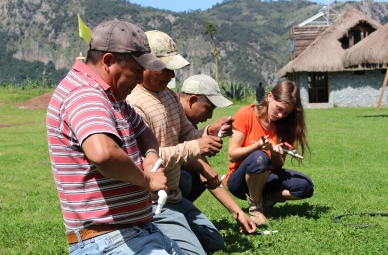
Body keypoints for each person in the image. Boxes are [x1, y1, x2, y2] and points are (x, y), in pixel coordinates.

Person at [46, 20, 184, 255]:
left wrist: (151, 155)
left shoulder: (113, 97)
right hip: (107, 239)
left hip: (136, 231)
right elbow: (104, 154)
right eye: (137, 71)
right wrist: (147, 180)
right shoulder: (85, 94)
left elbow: (144, 132)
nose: (140, 80)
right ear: (109, 61)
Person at [127, 31, 255, 255]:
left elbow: (186, 132)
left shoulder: (167, 95)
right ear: (143, 64)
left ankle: (161, 237)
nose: (171, 74)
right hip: (153, 201)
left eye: (172, 68)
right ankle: (148, 234)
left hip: (173, 195)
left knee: (215, 242)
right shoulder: (134, 102)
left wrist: (207, 131)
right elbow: (144, 159)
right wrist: (197, 147)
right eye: (164, 68)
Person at [225, 80, 314, 225]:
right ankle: (255, 209)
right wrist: (258, 146)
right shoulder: (246, 114)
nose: (281, 115)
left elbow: (277, 166)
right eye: (279, 109)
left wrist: (275, 154)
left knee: (305, 186)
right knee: (259, 157)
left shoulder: (285, 125)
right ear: (270, 96)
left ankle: (267, 199)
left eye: (286, 112)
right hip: (240, 181)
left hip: (266, 176)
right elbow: (232, 154)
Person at [178, 74, 255, 228]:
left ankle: (179, 213)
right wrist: (201, 166)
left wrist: (237, 212)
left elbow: (207, 173)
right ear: (192, 100)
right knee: (186, 178)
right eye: (208, 109)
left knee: (199, 176)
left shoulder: (188, 124)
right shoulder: (167, 115)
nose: (210, 116)